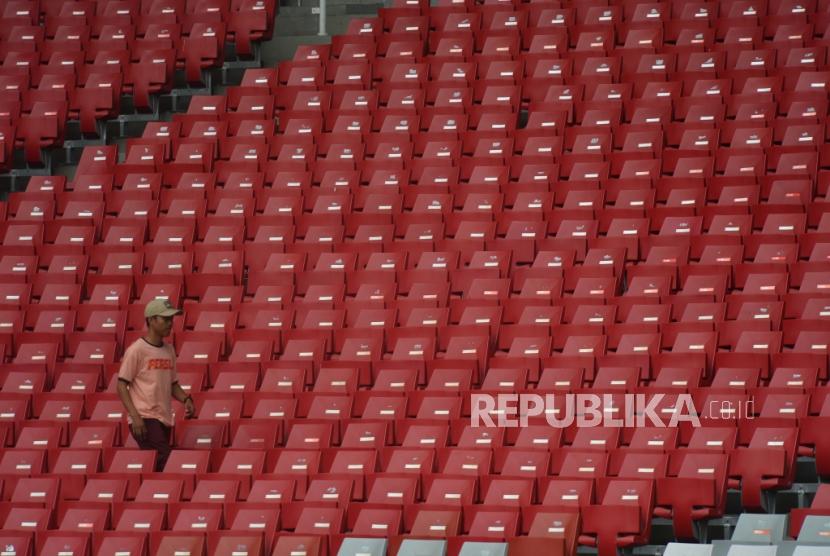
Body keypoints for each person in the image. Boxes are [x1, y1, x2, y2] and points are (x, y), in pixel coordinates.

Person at [116, 299, 195, 471]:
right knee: (165, 459)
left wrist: (186, 399)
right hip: (144, 418)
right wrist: (135, 417)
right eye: (165, 319)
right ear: (151, 320)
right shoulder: (137, 350)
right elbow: (122, 385)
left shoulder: (169, 350)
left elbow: (172, 383)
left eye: (171, 319)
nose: (170, 324)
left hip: (163, 418)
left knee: (158, 466)